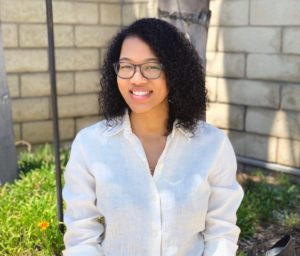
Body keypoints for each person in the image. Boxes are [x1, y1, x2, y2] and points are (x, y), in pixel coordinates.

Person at [62, 18, 244, 256]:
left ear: (174, 72)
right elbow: (81, 237)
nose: (136, 79)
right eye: (126, 66)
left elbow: (221, 231)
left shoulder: (212, 145)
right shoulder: (90, 145)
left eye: (151, 66)